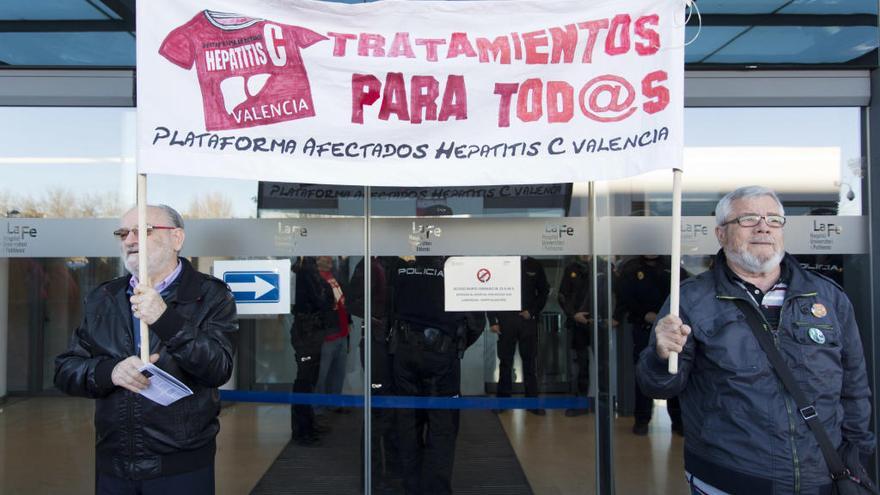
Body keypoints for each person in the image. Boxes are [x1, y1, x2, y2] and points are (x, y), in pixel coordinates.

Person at [637, 186, 874, 494]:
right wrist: (660, 355)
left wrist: (856, 456)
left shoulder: (828, 296)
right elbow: (658, 386)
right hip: (728, 479)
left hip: (823, 477)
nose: (763, 226)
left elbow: (854, 388)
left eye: (773, 219)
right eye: (748, 219)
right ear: (721, 234)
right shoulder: (690, 299)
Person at [54, 204, 238, 494]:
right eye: (123, 232)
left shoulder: (211, 295)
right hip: (113, 465)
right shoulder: (104, 297)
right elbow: (65, 370)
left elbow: (218, 368)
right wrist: (109, 372)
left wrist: (166, 320)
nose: (129, 240)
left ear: (176, 239)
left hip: (181, 467)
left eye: (143, 230)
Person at [391, 256, 482, 495]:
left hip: (404, 352)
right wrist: (452, 347)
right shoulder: (457, 269)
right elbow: (476, 321)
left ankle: (411, 487)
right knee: (442, 427)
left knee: (408, 424)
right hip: (441, 357)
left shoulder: (402, 267)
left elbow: (388, 308)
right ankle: (435, 490)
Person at [615, 254, 683, 436]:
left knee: (673, 371)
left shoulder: (672, 264)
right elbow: (625, 296)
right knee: (643, 373)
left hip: (670, 329)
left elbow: (684, 292)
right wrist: (644, 314)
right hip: (643, 328)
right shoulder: (631, 268)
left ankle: (678, 421)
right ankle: (642, 420)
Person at [488, 255, 550, 415]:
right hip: (505, 319)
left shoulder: (534, 265)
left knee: (530, 363)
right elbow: (491, 290)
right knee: (505, 362)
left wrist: (533, 311)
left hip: (527, 319)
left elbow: (544, 291)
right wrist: (492, 320)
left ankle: (533, 404)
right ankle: (503, 402)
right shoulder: (501, 263)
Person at [289, 256, 336, 446]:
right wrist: (325, 291)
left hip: (310, 332)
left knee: (309, 380)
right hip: (306, 332)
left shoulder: (307, 270)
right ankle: (302, 430)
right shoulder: (306, 271)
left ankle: (307, 425)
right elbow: (323, 300)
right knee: (305, 381)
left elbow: (327, 299)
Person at [313, 256, 352, 416]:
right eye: (324, 256)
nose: (329, 259)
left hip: (342, 332)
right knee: (321, 375)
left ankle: (333, 404)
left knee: (338, 373)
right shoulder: (315, 280)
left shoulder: (334, 278)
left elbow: (342, 303)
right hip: (327, 336)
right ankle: (318, 409)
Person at [557, 255, 593, 417]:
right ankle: (580, 403)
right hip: (577, 324)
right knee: (580, 365)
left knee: (602, 366)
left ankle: (603, 402)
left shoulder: (602, 267)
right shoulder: (571, 269)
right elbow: (563, 296)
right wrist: (574, 315)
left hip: (599, 324)